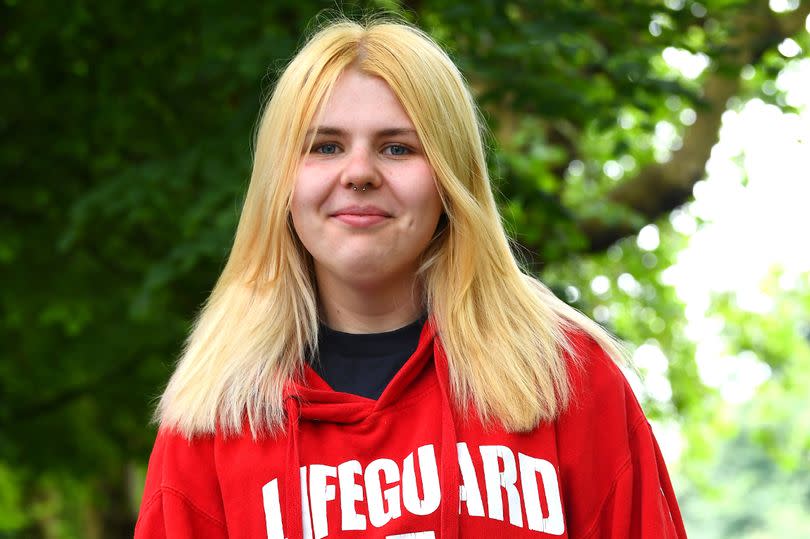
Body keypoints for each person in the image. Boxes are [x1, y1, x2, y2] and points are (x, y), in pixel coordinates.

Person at [135, 16, 687, 539]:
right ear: (281, 181)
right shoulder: (211, 420)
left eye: (397, 147)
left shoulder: (565, 380)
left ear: (450, 178)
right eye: (325, 146)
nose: (359, 173)